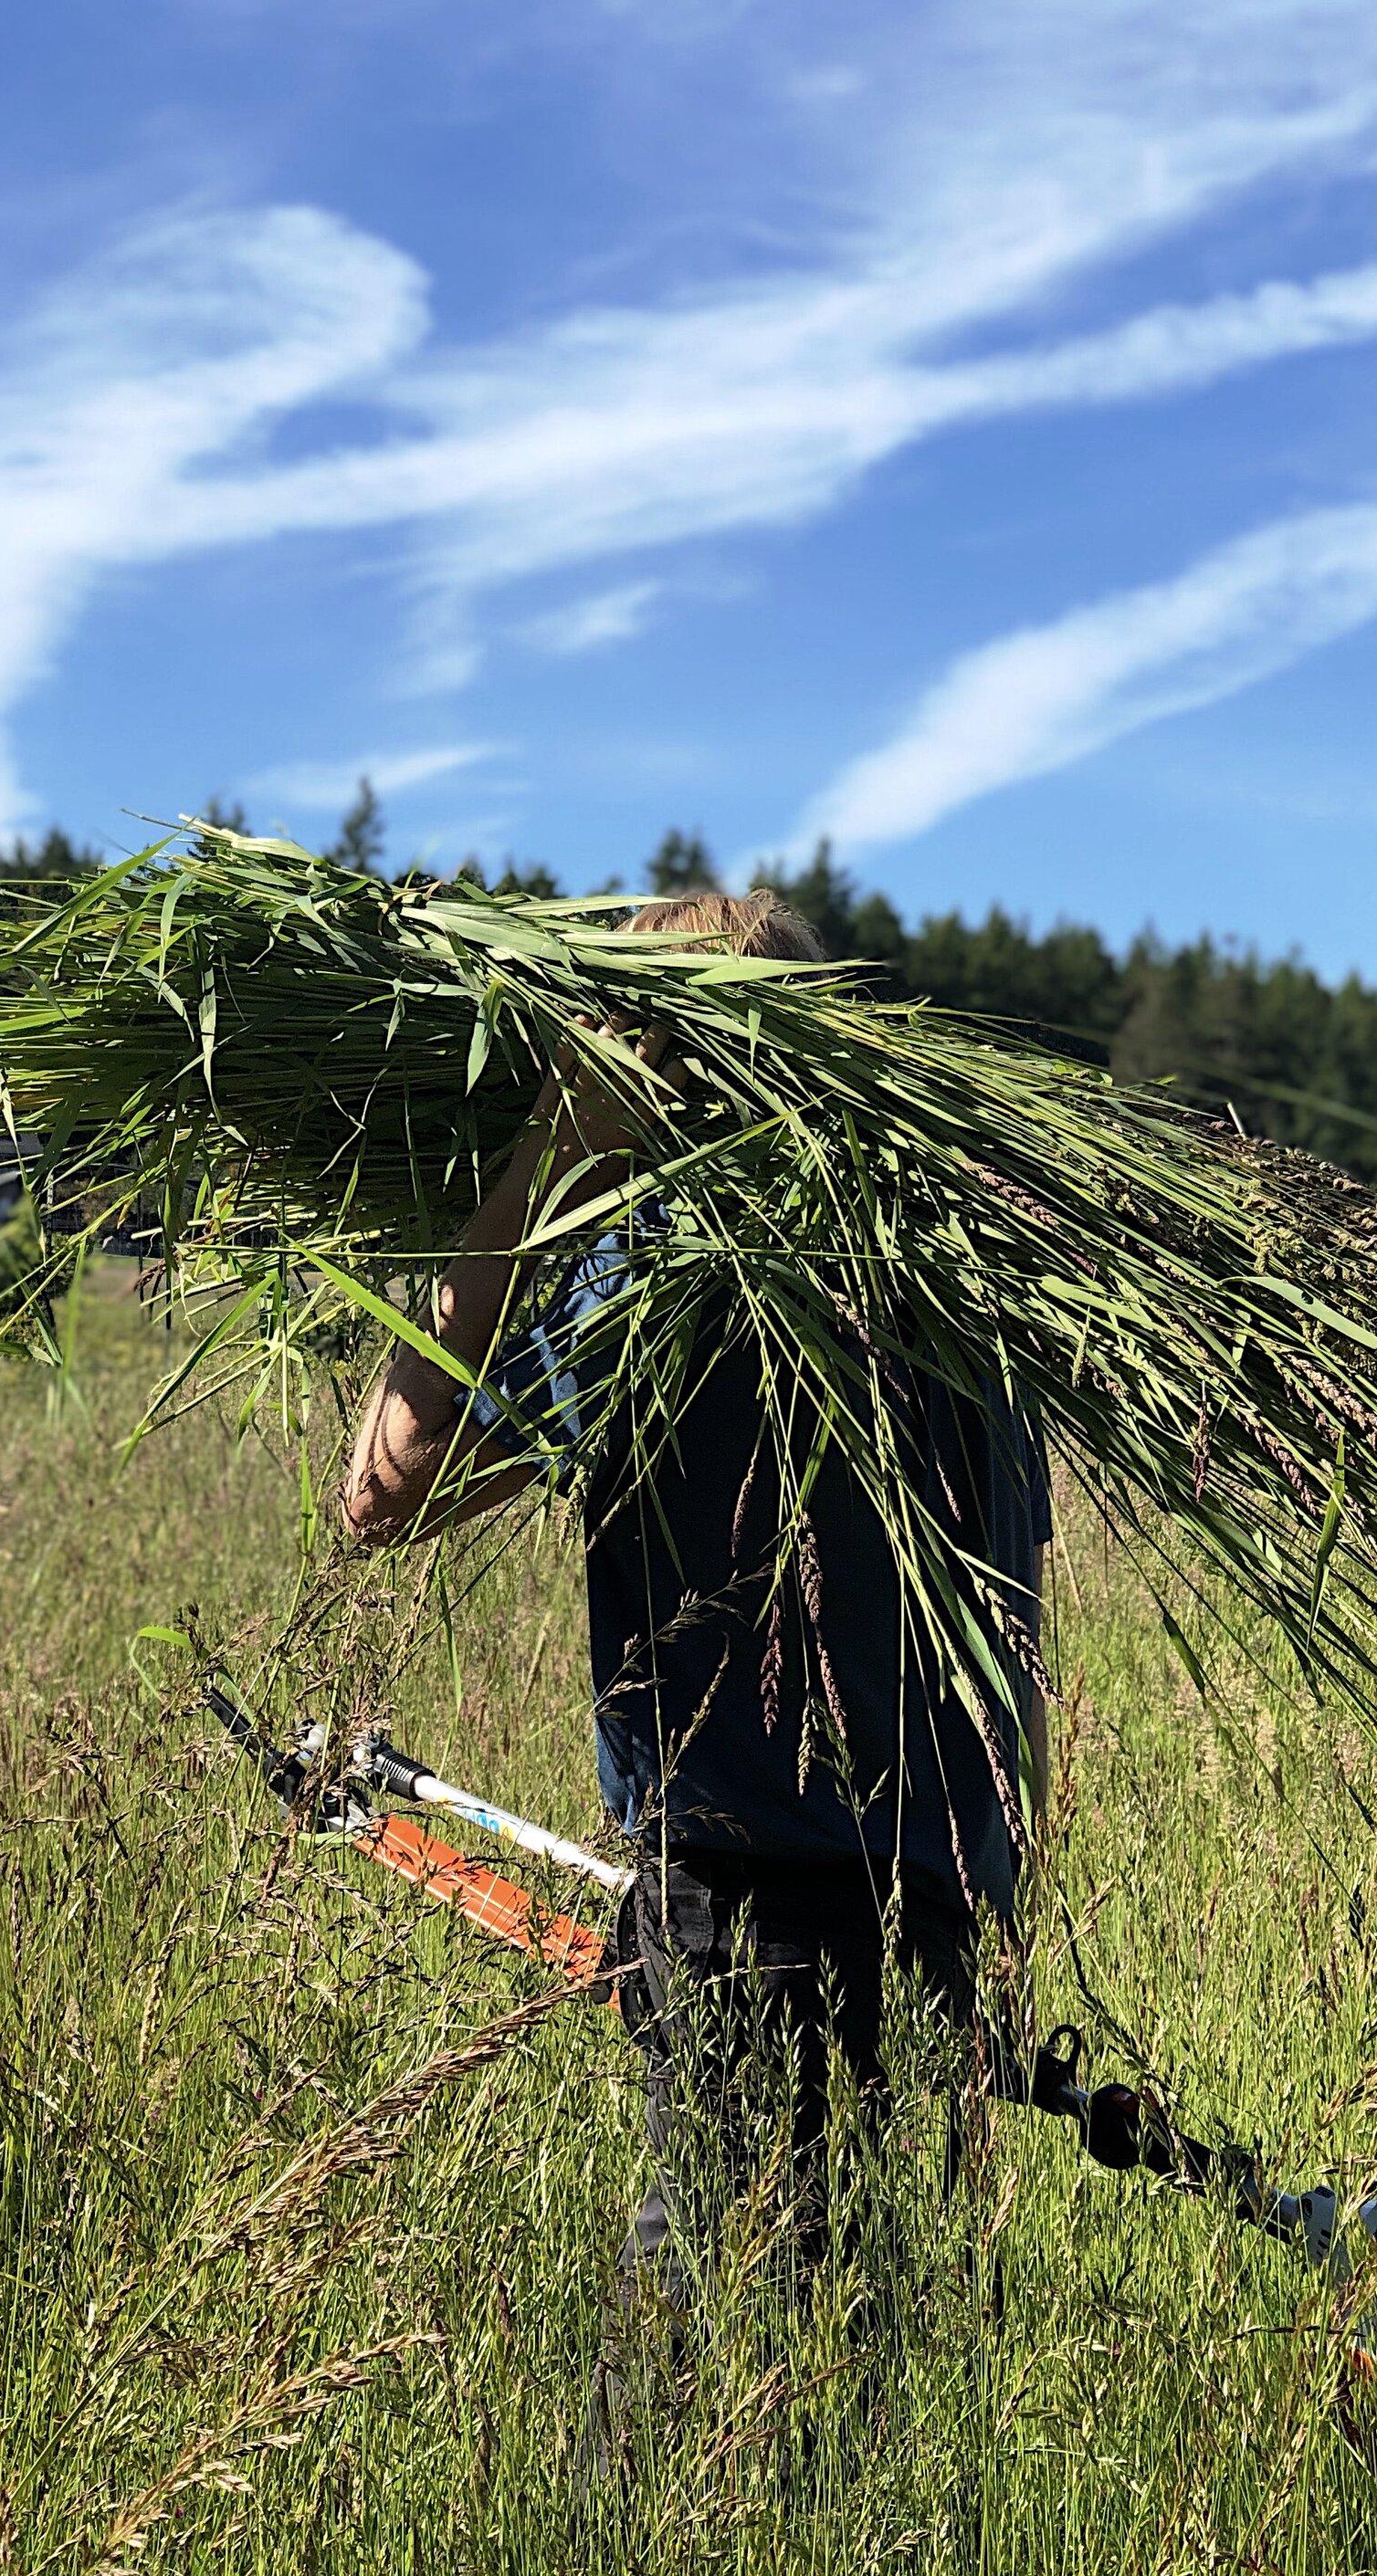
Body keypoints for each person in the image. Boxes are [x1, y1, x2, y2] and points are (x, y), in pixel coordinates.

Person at [340, 886, 1050, 2351]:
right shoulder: (963, 1290)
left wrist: (549, 1156)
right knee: (854, 2355)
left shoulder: (675, 1282)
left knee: (684, 2406)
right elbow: (1018, 1645)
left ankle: (614, 2575)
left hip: (745, 1903)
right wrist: (993, 1910)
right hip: (934, 1903)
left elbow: (381, 1486)